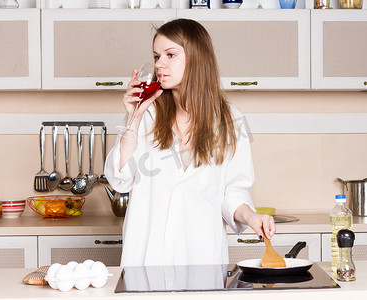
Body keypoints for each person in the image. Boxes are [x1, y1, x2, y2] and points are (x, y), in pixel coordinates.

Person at [105, 18, 276, 267]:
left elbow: (232, 190)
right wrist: (133, 118)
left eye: (170, 54)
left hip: (202, 255)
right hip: (148, 258)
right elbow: (120, 179)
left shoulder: (230, 119)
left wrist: (251, 216)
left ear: (197, 58)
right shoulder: (146, 114)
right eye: (156, 56)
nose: (159, 64)